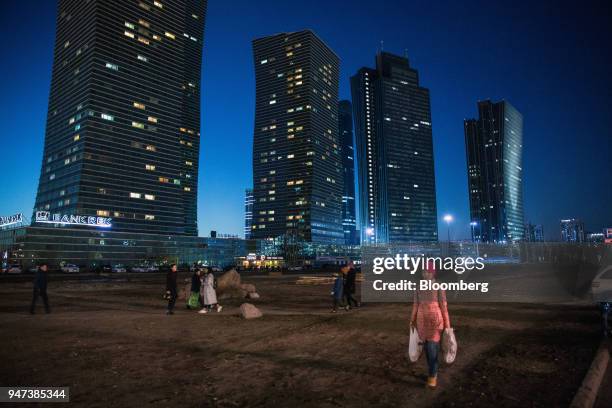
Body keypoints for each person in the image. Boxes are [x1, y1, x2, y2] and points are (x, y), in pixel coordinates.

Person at [410, 262, 451, 388]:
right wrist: (412, 320)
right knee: (427, 348)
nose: (424, 274)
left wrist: (448, 325)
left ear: (433, 272)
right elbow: (415, 304)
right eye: (423, 271)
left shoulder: (439, 286)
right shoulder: (418, 286)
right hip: (422, 320)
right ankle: (432, 371)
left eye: (427, 271)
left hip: (435, 320)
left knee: (432, 348)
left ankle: (433, 376)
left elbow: (444, 306)